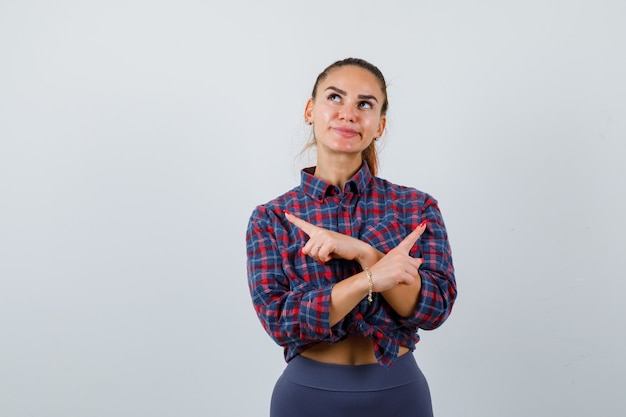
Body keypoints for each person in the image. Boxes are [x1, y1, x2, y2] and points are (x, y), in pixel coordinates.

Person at [246, 57, 457, 417]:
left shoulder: (415, 207)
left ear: (380, 125)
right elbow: (282, 322)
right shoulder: (272, 218)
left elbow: (435, 308)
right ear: (310, 110)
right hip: (307, 397)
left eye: (364, 104)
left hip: (400, 394)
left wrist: (364, 252)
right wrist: (372, 279)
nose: (348, 114)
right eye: (334, 98)